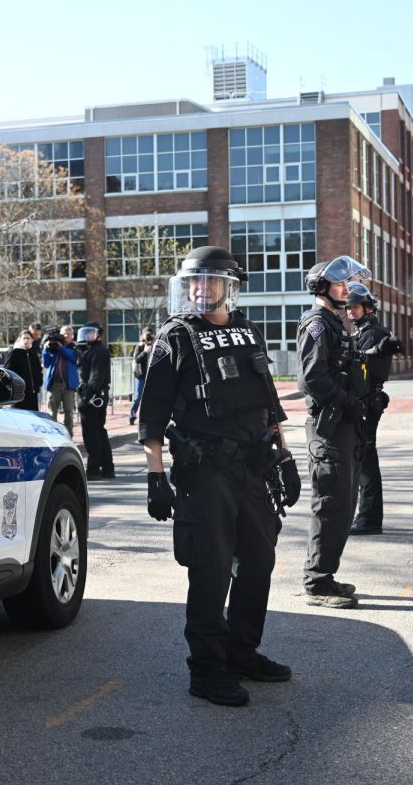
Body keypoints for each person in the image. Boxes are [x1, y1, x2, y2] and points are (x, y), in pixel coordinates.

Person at [138, 246, 292, 707]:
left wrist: (284, 454)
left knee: (259, 561)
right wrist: (155, 474)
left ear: (229, 286)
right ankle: (205, 670)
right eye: (194, 283)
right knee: (210, 571)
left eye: (209, 282)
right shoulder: (176, 336)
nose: (200, 290)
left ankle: (241, 653)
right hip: (204, 472)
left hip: (252, 465)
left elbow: (268, 400)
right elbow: (154, 412)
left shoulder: (247, 330)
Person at [297, 255, 371, 609]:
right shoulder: (316, 324)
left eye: (346, 284)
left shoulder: (334, 322)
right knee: (330, 503)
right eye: (340, 284)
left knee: (344, 505)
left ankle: (326, 575)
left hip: (343, 424)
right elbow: (312, 379)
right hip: (329, 426)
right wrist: (346, 400)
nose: (346, 289)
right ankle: (316, 583)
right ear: (321, 288)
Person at [344, 283, 401, 536]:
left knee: (366, 459)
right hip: (364, 401)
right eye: (348, 308)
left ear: (368, 308)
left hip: (367, 402)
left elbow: (361, 366)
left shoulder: (373, 333)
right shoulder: (362, 333)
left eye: (355, 307)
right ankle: (366, 515)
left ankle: (369, 518)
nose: (350, 312)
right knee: (362, 458)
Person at [76, 322, 113, 480]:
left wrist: (86, 397)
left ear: (99, 334)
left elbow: (96, 377)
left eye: (91, 332)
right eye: (86, 332)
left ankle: (94, 469)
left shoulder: (98, 351)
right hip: (95, 395)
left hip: (94, 396)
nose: (87, 335)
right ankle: (106, 467)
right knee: (98, 432)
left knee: (92, 434)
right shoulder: (92, 350)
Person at [42, 325, 78, 436]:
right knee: (52, 412)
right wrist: (45, 349)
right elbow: (46, 363)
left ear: (72, 336)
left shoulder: (75, 347)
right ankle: (52, 436)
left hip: (69, 385)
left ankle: (69, 436)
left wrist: (61, 347)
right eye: (63, 333)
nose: (66, 335)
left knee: (69, 412)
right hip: (55, 384)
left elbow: (73, 358)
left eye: (68, 333)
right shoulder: (54, 348)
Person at [129, 327, 154, 425]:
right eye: (146, 335)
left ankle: (149, 418)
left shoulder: (155, 345)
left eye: (150, 335)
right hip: (141, 375)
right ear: (142, 336)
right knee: (137, 397)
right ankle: (132, 416)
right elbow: (137, 359)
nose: (148, 337)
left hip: (151, 376)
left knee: (151, 398)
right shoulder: (139, 346)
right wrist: (145, 351)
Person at [3, 330, 36, 405]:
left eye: (28, 338)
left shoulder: (33, 353)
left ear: (32, 340)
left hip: (32, 392)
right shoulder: (14, 353)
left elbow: (38, 370)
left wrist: (38, 384)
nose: (26, 340)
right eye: (24, 338)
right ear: (20, 339)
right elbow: (7, 371)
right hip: (19, 392)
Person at [18, 321, 44, 411]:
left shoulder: (35, 348)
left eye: (38, 335)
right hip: (21, 390)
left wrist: (39, 382)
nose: (36, 337)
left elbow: (38, 368)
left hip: (33, 389)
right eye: (34, 334)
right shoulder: (16, 351)